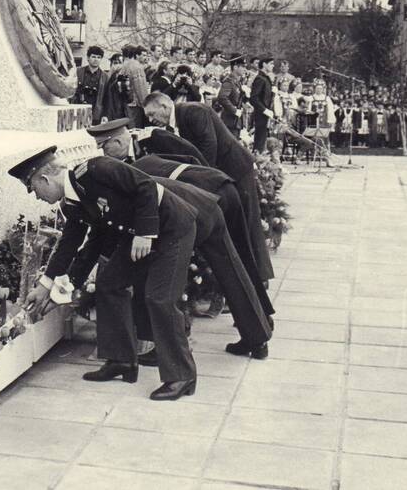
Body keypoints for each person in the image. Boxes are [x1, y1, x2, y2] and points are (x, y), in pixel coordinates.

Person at [14, 148, 198, 400]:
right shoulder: (72, 203)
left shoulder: (97, 169)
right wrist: (48, 285)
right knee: (109, 284)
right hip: (135, 235)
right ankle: (122, 361)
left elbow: (146, 186)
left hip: (170, 227)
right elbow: (72, 244)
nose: (37, 197)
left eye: (34, 189)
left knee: (160, 298)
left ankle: (182, 376)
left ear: (45, 179)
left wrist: (146, 233)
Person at [88, 119, 275, 355]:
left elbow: (191, 157)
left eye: (104, 146)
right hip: (214, 192)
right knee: (232, 268)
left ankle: (166, 341)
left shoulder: (137, 163)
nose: (102, 153)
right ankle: (257, 338)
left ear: (118, 141)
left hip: (206, 198)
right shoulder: (136, 162)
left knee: (165, 269)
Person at [142, 93, 276, 284]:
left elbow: (208, 145)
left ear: (164, 106)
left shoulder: (193, 111)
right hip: (223, 172)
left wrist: (205, 181)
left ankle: (258, 279)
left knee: (246, 223)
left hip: (236, 170)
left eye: (152, 114)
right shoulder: (177, 119)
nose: (151, 119)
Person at [249, 58, 275, 153]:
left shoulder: (266, 78)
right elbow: (254, 98)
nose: (273, 66)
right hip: (260, 114)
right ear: (264, 64)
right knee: (259, 141)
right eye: (271, 63)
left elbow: (266, 97)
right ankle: (256, 161)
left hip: (265, 114)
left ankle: (258, 160)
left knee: (262, 140)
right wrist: (264, 110)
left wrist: (272, 93)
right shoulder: (260, 78)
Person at [216, 59, 246, 133]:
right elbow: (222, 97)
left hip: (235, 121)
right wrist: (234, 110)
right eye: (242, 66)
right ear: (235, 67)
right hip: (229, 120)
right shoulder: (229, 81)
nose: (244, 69)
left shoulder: (237, 81)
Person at [73, 45, 105, 112]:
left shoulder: (105, 77)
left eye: (99, 57)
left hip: (96, 113)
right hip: (78, 110)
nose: (96, 59)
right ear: (88, 58)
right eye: (93, 57)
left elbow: (107, 98)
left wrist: (105, 115)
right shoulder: (78, 72)